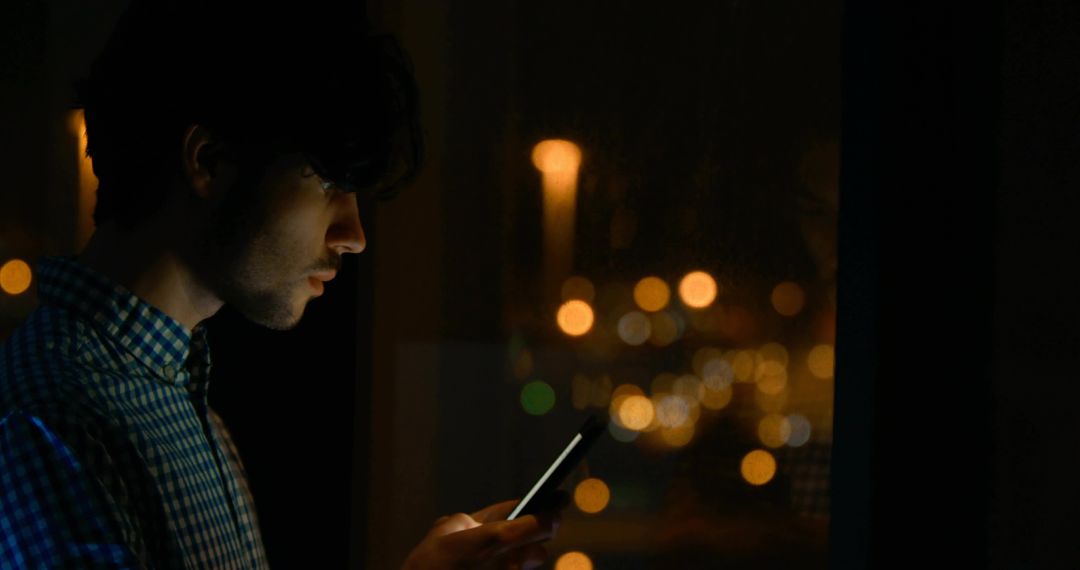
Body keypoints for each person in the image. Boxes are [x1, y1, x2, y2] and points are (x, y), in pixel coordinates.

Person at [0, 1, 560, 568]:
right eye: (328, 184)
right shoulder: (50, 425)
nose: (355, 234)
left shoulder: (178, 400)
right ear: (210, 161)